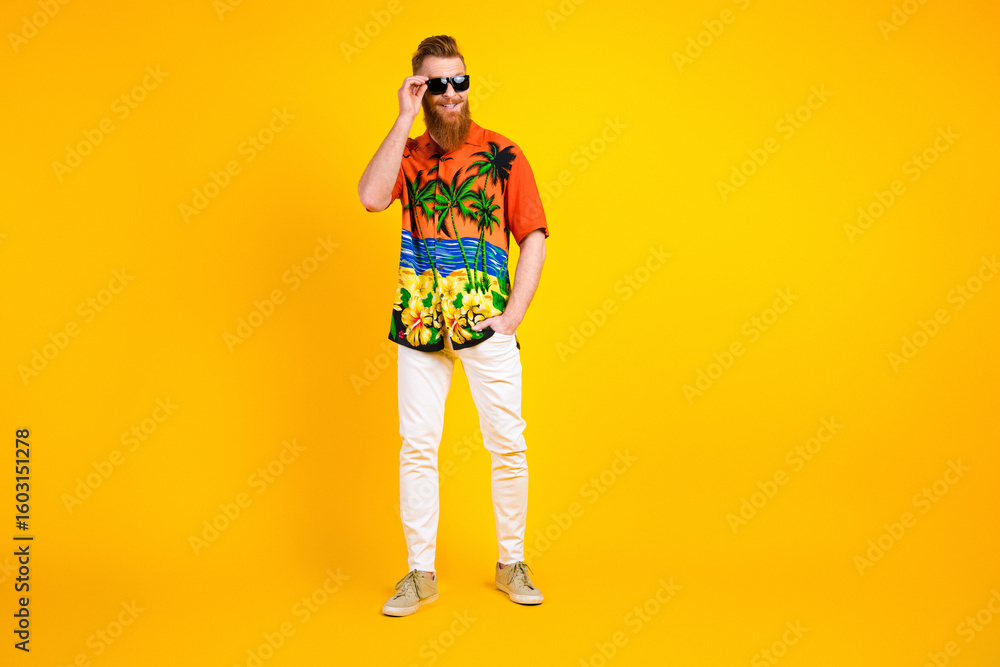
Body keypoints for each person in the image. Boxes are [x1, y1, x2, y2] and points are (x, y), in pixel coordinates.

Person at [357, 34, 549, 616]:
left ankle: (511, 560)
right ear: (421, 88)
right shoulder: (409, 154)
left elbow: (534, 235)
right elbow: (370, 197)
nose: (450, 92)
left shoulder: (502, 154)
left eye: (458, 81)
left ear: (469, 85)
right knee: (417, 448)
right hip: (419, 326)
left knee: (508, 444)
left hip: (486, 325)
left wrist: (511, 317)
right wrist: (401, 118)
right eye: (435, 83)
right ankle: (420, 574)